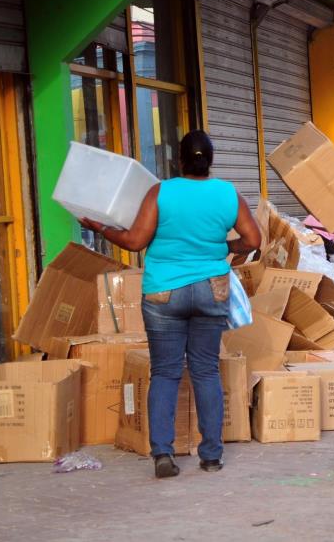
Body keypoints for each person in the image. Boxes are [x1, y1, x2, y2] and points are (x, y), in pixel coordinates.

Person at [80, 130, 261, 478]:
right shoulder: (227, 193)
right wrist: (226, 249)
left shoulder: (160, 192)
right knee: (206, 370)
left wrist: (101, 228)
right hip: (212, 289)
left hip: (164, 292)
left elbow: (134, 242)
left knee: (165, 372)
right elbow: (253, 240)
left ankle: (163, 453)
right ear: (210, 161)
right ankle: (211, 456)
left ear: (178, 161)